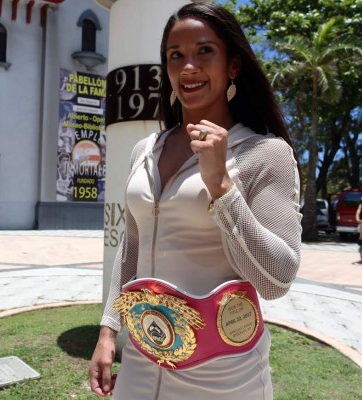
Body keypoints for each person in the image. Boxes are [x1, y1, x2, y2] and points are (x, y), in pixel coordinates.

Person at [88, 4, 301, 399]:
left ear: (233, 65)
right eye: (176, 55)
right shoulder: (145, 150)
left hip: (223, 372)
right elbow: (132, 246)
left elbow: (278, 278)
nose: (188, 67)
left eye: (205, 51)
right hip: (140, 358)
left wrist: (221, 185)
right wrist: (108, 330)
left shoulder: (263, 153)